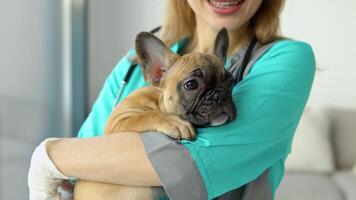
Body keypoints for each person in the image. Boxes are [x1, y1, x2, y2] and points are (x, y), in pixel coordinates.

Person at [28, 0, 316, 199]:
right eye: (192, 85)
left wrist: (51, 155)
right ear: (156, 71)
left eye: (227, 83)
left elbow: (188, 163)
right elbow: (78, 172)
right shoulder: (132, 65)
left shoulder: (287, 59)